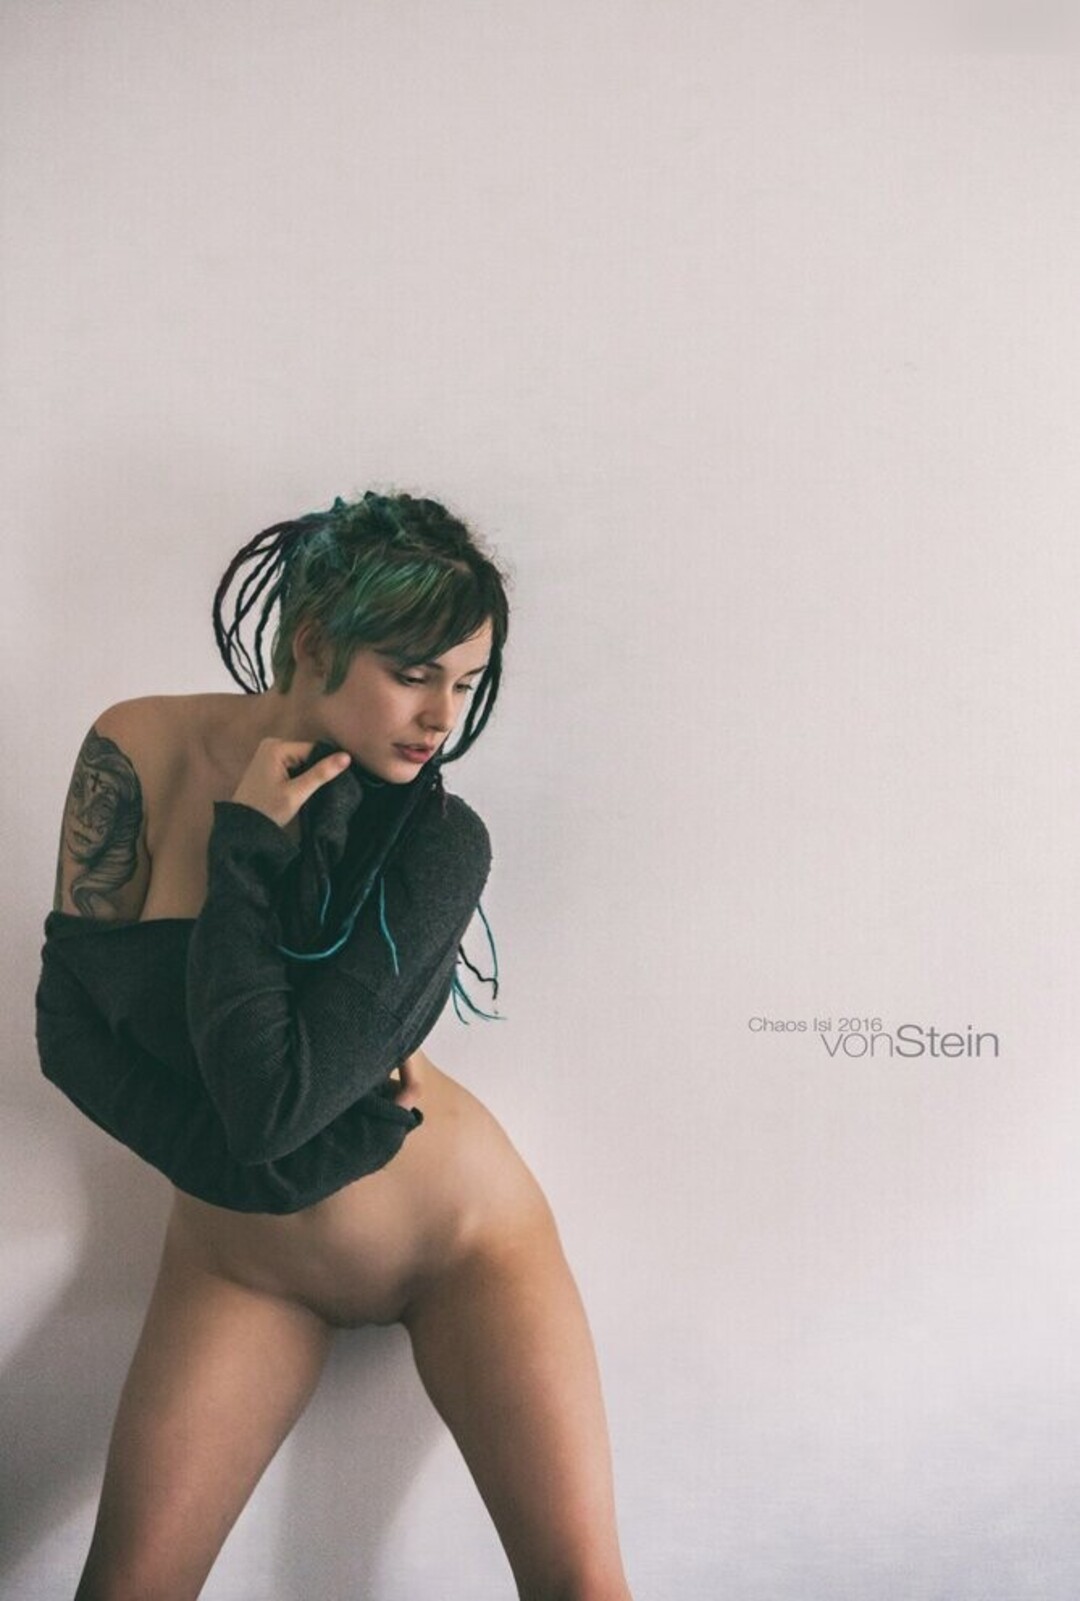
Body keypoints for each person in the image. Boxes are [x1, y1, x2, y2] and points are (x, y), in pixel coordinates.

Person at [35, 491, 634, 1601]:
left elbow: (270, 1108)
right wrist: (237, 1177)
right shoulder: (135, 747)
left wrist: (246, 855)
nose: (440, 715)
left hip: (461, 1241)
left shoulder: (439, 842)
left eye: (467, 683)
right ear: (314, 642)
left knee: (582, 1589)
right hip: (238, 1262)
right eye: (414, 673)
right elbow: (66, 1031)